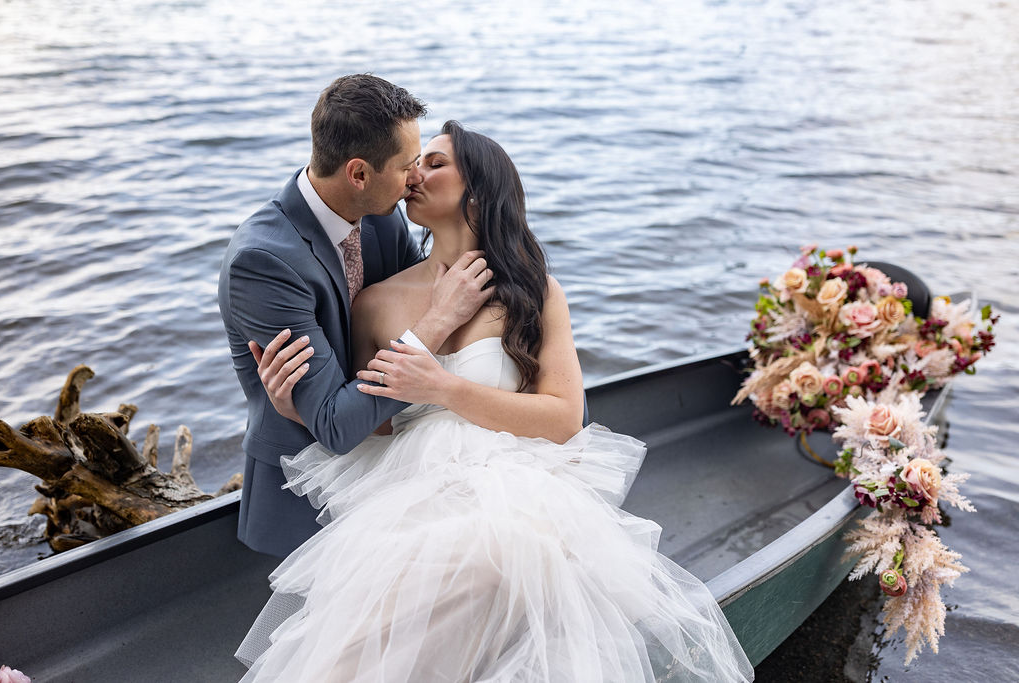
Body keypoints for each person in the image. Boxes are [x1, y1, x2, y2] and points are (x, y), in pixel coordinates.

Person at [235, 122, 754, 681]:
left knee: (508, 545)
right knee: (412, 587)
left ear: (478, 190)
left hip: (517, 475)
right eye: (415, 163)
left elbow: (561, 418)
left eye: (435, 163)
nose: (414, 174)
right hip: (407, 484)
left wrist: (443, 389)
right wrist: (301, 410)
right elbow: (375, 428)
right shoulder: (377, 303)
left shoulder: (536, 292)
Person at [217, 75, 493, 557]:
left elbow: (420, 310)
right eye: (408, 164)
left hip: (394, 457)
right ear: (359, 173)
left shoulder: (381, 217)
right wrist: (436, 321)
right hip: (309, 486)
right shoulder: (263, 262)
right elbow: (336, 426)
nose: (415, 178)